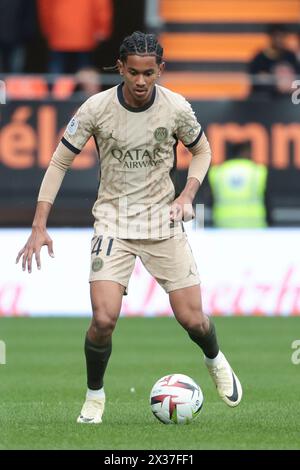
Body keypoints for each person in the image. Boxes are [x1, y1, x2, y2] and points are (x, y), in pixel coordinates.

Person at [16, 31, 242, 424]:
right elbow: (59, 162)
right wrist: (39, 224)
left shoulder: (175, 108)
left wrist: (187, 194)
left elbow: (202, 149)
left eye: (149, 73)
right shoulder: (95, 108)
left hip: (162, 219)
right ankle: (95, 396)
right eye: (133, 72)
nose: (140, 82)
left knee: (193, 320)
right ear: (120, 68)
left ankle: (215, 358)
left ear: (160, 71)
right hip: (112, 221)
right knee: (103, 319)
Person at [208, 142, 269, 228]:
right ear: (245, 152)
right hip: (254, 228)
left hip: (223, 227)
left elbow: (210, 201)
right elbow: (267, 201)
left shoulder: (218, 172)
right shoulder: (257, 171)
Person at [248, 24, 299, 98]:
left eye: (282, 36)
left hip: (288, 98)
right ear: (271, 37)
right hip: (267, 99)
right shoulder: (260, 57)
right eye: (276, 36)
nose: (279, 39)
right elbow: (255, 79)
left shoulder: (290, 56)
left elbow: (297, 75)